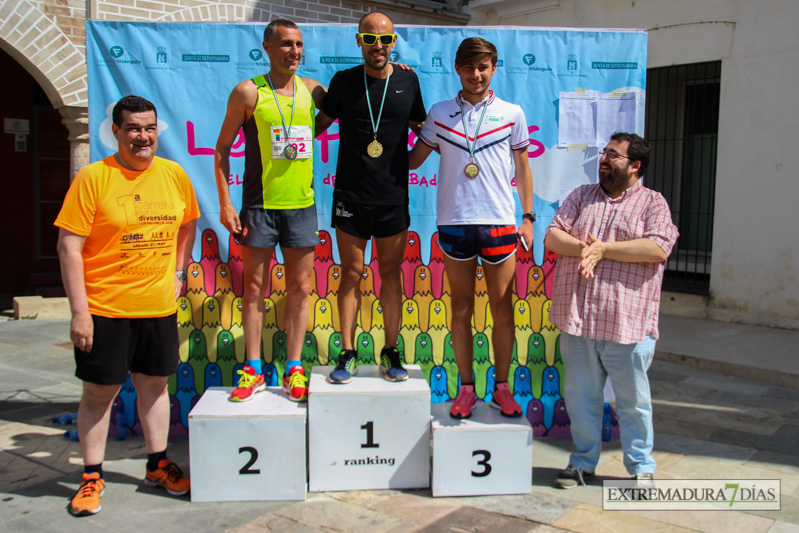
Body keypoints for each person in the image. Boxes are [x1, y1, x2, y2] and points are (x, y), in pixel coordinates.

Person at [56, 95, 199, 516]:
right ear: (116, 132)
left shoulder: (173, 174)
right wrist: (80, 312)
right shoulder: (93, 178)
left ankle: (158, 465)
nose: (143, 136)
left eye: (149, 127)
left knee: (155, 388)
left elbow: (187, 224)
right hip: (105, 310)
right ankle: (91, 476)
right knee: (100, 394)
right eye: (133, 128)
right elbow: (69, 246)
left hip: (157, 308)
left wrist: (178, 271)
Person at [544, 132, 679, 488]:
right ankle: (582, 464)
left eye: (613, 155)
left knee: (633, 404)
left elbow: (657, 248)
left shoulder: (653, 203)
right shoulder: (580, 197)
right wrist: (585, 248)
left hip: (627, 326)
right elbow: (553, 237)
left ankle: (641, 470)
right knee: (580, 400)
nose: (604, 159)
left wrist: (604, 249)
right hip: (579, 321)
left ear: (635, 165)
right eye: (604, 153)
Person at [408, 37, 533, 419]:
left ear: (493, 68)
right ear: (457, 69)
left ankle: (501, 388)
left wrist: (527, 217)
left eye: (483, 67)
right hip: (455, 222)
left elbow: (524, 168)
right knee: (461, 308)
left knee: (503, 309)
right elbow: (413, 162)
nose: (476, 74)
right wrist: (399, 118)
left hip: (498, 221)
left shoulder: (512, 113)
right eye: (469, 67)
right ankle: (465, 388)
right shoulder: (440, 113)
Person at [215, 19, 327, 402]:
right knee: (254, 289)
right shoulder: (248, 92)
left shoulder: (313, 90)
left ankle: (294, 368)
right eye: (285, 44)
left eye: (298, 45)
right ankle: (253, 370)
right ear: (267, 46)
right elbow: (221, 149)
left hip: (302, 206)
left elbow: (357, 99)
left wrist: (396, 70)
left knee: (300, 289)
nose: (294, 51)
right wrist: (226, 202)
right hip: (259, 206)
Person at [316, 12, 426, 384]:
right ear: (358, 40)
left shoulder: (409, 80)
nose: (377, 46)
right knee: (351, 273)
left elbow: (423, 127)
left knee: (390, 275)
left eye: (384, 39)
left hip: (393, 196)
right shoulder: (344, 81)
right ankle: (347, 353)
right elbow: (316, 123)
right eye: (369, 38)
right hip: (351, 194)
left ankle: (390, 350)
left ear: (394, 41)